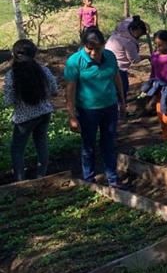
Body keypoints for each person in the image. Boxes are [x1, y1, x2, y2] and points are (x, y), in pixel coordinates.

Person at [64, 28, 127, 189]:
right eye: (89, 48)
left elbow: (116, 78)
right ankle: (89, 180)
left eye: (97, 48)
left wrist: (122, 101)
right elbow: (70, 91)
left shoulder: (110, 57)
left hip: (109, 108)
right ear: (84, 45)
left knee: (109, 143)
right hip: (87, 111)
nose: (93, 52)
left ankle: (112, 179)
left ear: (104, 45)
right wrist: (72, 116)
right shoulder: (74, 62)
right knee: (88, 146)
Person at [4, 39, 59, 181]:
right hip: (44, 113)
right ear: (34, 54)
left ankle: (20, 180)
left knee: (17, 149)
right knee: (41, 143)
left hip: (24, 119)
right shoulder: (43, 70)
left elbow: (9, 101)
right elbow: (54, 90)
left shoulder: (11, 75)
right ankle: (41, 176)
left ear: (14, 55)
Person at [105, 16, 147, 101]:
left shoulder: (123, 28)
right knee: (122, 89)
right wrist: (147, 57)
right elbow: (134, 60)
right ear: (137, 30)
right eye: (140, 34)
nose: (139, 37)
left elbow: (131, 18)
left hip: (106, 63)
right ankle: (121, 106)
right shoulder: (129, 42)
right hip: (119, 68)